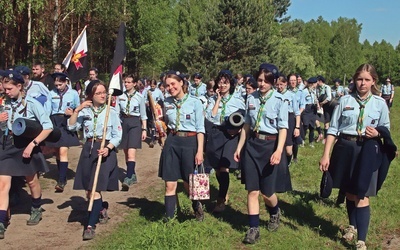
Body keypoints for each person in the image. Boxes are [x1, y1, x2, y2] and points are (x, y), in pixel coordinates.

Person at [319, 64, 391, 250]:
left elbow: (386, 129)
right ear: (354, 80)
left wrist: (377, 133)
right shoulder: (344, 101)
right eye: (360, 79)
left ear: (373, 81)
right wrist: (326, 154)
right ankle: (352, 225)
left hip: (367, 150)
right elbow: (333, 128)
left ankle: (361, 240)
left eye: (367, 80)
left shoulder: (380, 104)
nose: (363, 83)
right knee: (350, 191)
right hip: (345, 148)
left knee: (362, 193)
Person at [234, 63, 291, 244]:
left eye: (267, 81)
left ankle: (275, 212)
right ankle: (253, 229)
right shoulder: (251, 99)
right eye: (260, 80)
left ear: (273, 82)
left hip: (270, 146)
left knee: (267, 192)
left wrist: (279, 151)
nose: (262, 84)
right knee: (252, 190)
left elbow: (283, 128)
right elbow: (247, 125)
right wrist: (239, 147)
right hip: (252, 145)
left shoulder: (280, 101)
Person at [0, 70, 53, 239]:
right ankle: (1, 221)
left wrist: (33, 144)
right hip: (7, 146)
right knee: (2, 185)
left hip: (26, 145)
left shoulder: (32, 103)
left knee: (31, 181)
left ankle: (36, 207)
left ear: (19, 86)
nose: (6, 91)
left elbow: (48, 126)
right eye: (4, 88)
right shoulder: (3, 104)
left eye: (9, 88)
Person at [67, 80, 122, 240]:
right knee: (88, 190)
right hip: (88, 150)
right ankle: (101, 208)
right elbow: (71, 127)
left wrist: (108, 148)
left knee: (94, 190)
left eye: (104, 92)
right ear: (91, 95)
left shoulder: (111, 112)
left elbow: (118, 135)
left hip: (105, 152)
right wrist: (77, 110)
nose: (103, 95)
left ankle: (90, 226)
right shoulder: (85, 112)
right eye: (98, 93)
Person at [158, 70, 205, 221]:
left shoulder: (195, 102)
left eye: (173, 84)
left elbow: (200, 129)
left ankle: (197, 205)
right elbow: (164, 122)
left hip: (189, 143)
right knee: (169, 182)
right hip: (172, 141)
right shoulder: (166, 103)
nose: (170, 87)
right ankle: (170, 217)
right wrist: (159, 126)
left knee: (189, 182)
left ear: (181, 83)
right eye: (167, 85)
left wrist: (199, 151)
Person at [205, 69, 245, 213]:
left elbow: (244, 118)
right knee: (216, 167)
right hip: (216, 133)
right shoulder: (211, 99)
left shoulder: (237, 100)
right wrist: (218, 100)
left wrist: (238, 129)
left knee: (224, 167)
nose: (222, 85)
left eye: (225, 83)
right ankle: (224, 190)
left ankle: (220, 200)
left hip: (230, 135)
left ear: (231, 84)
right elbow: (211, 116)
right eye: (220, 83)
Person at [46, 72, 81, 192]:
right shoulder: (51, 94)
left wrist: (73, 113)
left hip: (66, 121)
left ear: (66, 82)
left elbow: (78, 107)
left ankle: (62, 179)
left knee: (63, 150)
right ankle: (61, 173)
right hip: (55, 121)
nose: (58, 87)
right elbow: (48, 110)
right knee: (57, 150)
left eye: (60, 84)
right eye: (56, 85)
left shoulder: (73, 93)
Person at [116, 75, 147, 191]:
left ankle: (128, 177)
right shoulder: (120, 96)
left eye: (129, 82)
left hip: (135, 123)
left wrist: (144, 129)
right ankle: (132, 174)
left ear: (134, 84)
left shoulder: (140, 97)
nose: (126, 84)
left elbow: (143, 115)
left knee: (131, 152)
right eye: (125, 82)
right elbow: (117, 112)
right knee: (125, 150)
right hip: (123, 122)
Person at [276, 75, 300, 167]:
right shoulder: (274, 94)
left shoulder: (291, 95)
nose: (279, 87)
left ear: (286, 84)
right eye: (277, 85)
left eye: (281, 84)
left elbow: (297, 113)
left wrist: (297, 127)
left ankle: (288, 162)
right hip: (277, 119)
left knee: (288, 150)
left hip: (289, 119)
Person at [145, 79, 164, 148]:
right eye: (151, 86)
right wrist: (146, 102)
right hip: (149, 109)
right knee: (150, 123)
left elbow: (162, 100)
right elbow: (144, 99)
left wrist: (158, 105)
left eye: (153, 86)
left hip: (156, 110)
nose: (152, 87)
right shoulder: (147, 91)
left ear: (156, 85)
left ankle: (154, 139)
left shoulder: (159, 92)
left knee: (155, 123)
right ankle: (152, 136)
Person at [299, 77, 318, 147]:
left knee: (312, 127)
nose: (316, 85)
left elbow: (316, 99)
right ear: (312, 84)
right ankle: (302, 140)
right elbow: (302, 102)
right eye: (315, 83)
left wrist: (317, 105)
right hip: (306, 109)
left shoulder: (314, 91)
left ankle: (311, 142)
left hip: (313, 109)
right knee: (305, 125)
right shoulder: (304, 91)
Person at [316, 75, 333, 143]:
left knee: (326, 122)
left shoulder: (327, 87)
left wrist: (322, 103)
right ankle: (320, 134)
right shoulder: (317, 88)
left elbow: (329, 97)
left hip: (327, 106)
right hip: (320, 106)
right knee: (316, 120)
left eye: (317, 81)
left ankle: (326, 138)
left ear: (320, 81)